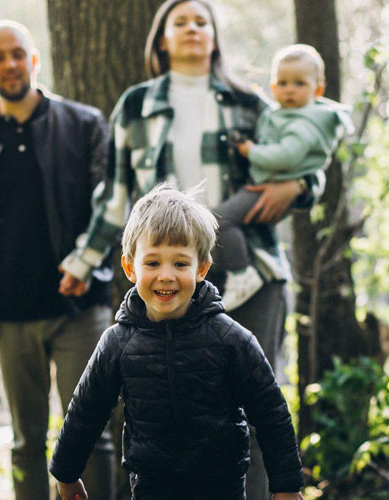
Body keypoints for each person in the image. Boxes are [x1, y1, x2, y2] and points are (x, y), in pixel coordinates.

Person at [56, 1, 315, 497]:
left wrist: (302, 187)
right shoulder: (135, 106)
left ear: (215, 38)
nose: (193, 29)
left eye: (203, 21)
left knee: (257, 404)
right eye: (181, 21)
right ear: (162, 39)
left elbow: (308, 146)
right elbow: (114, 197)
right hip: (168, 269)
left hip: (251, 269)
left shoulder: (250, 103)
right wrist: (84, 261)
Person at [0, 20, 116, 500]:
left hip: (80, 310)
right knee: (25, 443)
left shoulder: (85, 126)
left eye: (18, 53)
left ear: (34, 60)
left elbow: (113, 207)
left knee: (95, 436)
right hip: (8, 317)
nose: (10, 63)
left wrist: (90, 265)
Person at [49, 184, 304, 500]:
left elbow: (271, 413)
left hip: (220, 486)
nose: (166, 276)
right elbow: (86, 412)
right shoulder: (118, 343)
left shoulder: (230, 339)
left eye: (180, 264)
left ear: (202, 268)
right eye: (153, 263)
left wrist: (286, 487)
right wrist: (66, 474)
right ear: (130, 267)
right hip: (153, 486)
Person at [216, 43, 353, 310]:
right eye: (282, 82)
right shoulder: (284, 114)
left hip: (275, 186)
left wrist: (250, 150)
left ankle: (242, 275)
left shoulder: (305, 122)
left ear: (318, 90)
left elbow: (285, 156)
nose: (290, 89)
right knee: (227, 222)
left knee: (219, 220)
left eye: (299, 84)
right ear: (273, 86)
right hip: (266, 184)